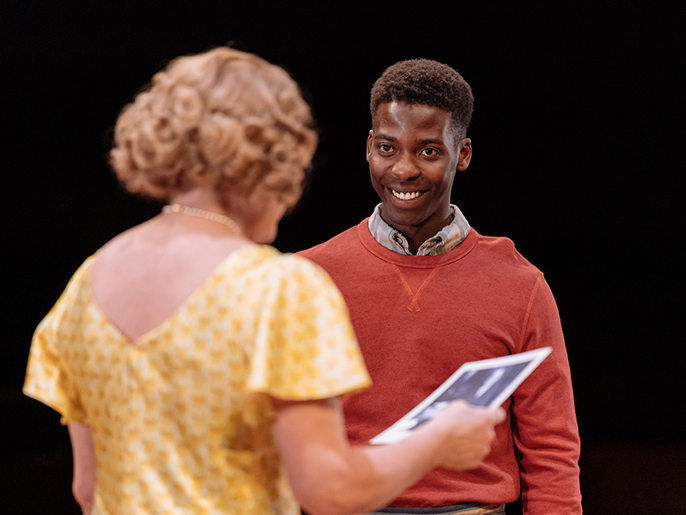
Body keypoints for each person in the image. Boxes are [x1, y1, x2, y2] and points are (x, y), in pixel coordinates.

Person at [22, 48, 505, 515]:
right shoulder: (277, 287)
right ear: (272, 158)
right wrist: (440, 438)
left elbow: (87, 489)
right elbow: (330, 490)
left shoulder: (87, 282)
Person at [299, 59, 582, 514]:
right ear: (369, 146)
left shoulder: (520, 286)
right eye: (388, 148)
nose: (404, 169)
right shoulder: (307, 278)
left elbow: (552, 452)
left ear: (463, 154)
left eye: (428, 151)